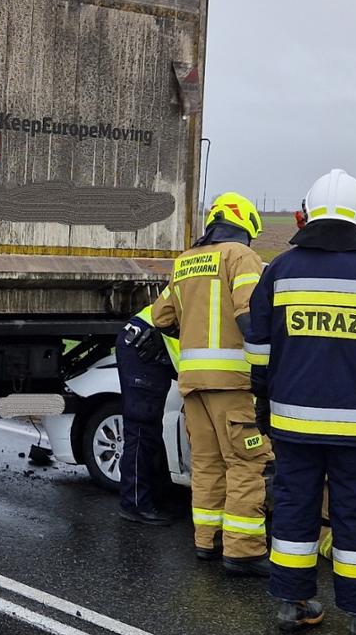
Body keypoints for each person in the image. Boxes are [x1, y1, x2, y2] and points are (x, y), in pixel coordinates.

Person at [245, 169, 356, 635]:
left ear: (308, 213)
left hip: (291, 421)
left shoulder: (279, 269)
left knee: (294, 509)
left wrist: (263, 395)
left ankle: (294, 605)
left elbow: (258, 345)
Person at [135, 192, 271, 575]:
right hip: (235, 383)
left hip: (193, 385)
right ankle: (243, 552)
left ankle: (206, 542)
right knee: (246, 464)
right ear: (245, 223)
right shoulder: (241, 257)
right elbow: (252, 317)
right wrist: (268, 366)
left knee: (207, 465)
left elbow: (161, 317)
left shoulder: (185, 262)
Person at [114, 293, 177, 527]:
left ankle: (156, 498)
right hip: (144, 346)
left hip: (150, 344)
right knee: (141, 428)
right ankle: (135, 504)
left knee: (150, 431)